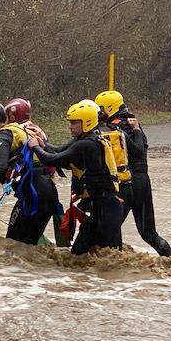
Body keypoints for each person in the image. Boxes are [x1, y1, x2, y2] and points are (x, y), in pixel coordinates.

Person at [28, 99, 123, 255]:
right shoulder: (83, 140)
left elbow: (52, 160)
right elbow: (59, 151)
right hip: (99, 208)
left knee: (113, 259)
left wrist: (35, 147)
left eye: (74, 123)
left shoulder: (86, 144)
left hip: (108, 209)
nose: (70, 127)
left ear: (86, 122)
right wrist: (43, 144)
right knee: (77, 255)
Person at [95, 90, 171, 257]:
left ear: (108, 108)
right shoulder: (133, 123)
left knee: (108, 232)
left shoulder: (114, 128)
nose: (98, 112)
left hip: (125, 184)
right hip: (143, 181)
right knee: (149, 234)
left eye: (100, 109)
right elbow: (142, 149)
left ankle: (112, 271)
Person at [0, 99, 59, 245]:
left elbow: (1, 168)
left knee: (12, 246)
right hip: (49, 192)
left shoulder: (2, 136)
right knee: (29, 248)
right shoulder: (21, 130)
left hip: (33, 195)